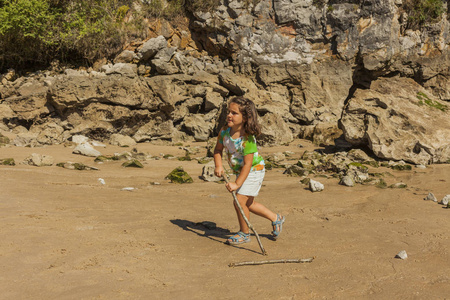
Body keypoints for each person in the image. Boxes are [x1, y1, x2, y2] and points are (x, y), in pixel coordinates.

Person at [213, 96, 285, 245]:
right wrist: (218, 165)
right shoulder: (225, 131)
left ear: (245, 117)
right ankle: (275, 218)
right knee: (248, 204)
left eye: (234, 113)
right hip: (242, 171)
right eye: (229, 112)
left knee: (239, 200)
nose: (229, 115)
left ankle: (244, 234)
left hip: (254, 170)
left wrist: (237, 184)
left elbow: (248, 164)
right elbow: (217, 150)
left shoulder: (247, 139)